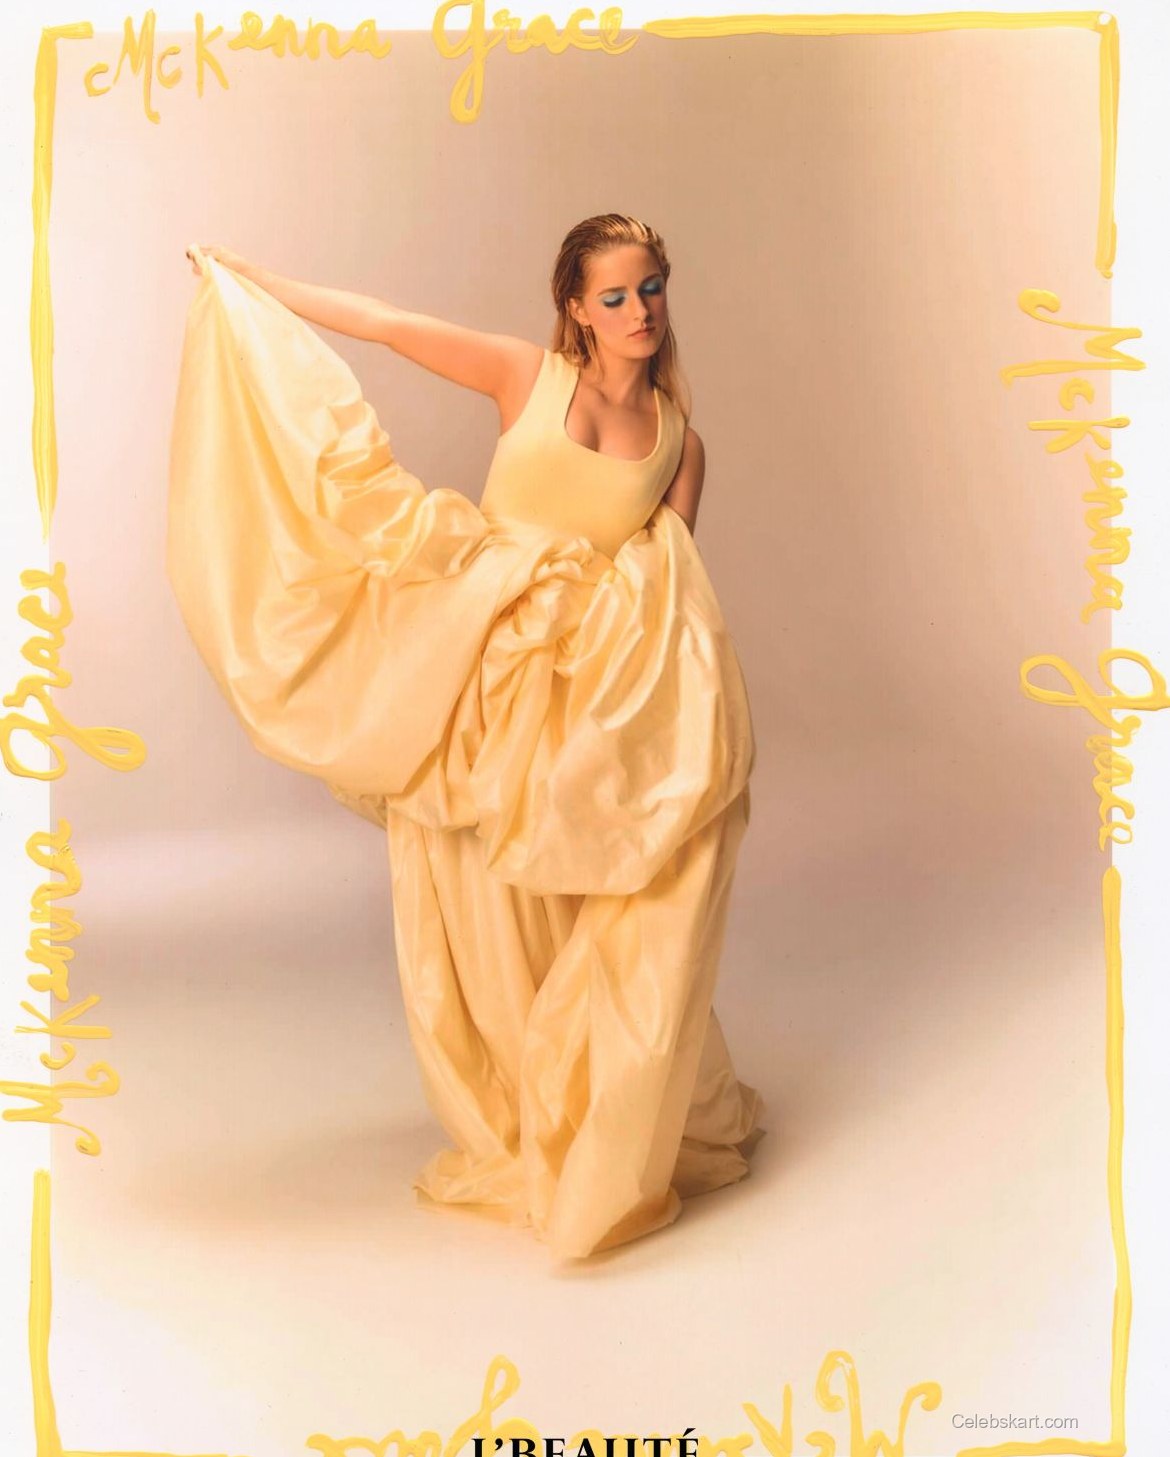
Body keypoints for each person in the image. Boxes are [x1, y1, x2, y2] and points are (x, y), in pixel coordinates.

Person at [170, 214, 764, 1261]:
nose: (639, 311)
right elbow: (387, 323)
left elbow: (668, 605)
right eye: (615, 296)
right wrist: (255, 280)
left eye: (652, 288)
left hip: (575, 693)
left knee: (573, 900)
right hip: (471, 664)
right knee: (477, 899)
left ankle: (594, 1109)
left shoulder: (683, 444)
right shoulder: (524, 375)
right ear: (576, 308)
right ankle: (519, 1110)